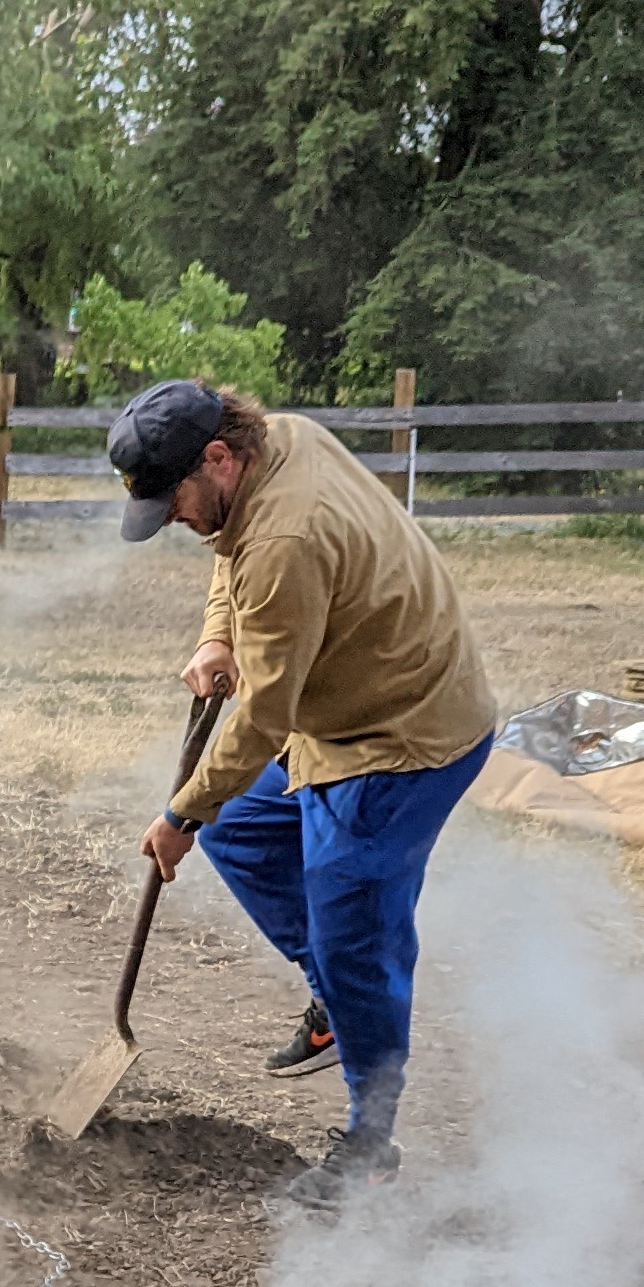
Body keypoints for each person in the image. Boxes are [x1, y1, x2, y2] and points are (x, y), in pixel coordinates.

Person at [108, 376, 497, 1209]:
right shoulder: (276, 442)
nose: (172, 519)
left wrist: (180, 814)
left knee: (354, 934)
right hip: (341, 713)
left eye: (173, 501)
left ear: (218, 457)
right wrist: (218, 635)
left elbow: (262, 717)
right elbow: (232, 551)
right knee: (240, 830)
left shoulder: (287, 539)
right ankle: (337, 999)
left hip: (399, 737)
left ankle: (371, 1144)